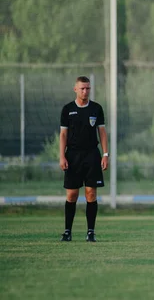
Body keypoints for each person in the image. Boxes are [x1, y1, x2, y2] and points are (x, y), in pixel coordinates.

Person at [59, 76, 109, 242]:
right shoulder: (67, 109)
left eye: (87, 88)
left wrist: (105, 154)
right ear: (75, 89)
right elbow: (63, 134)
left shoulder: (96, 108)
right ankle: (67, 231)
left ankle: (91, 232)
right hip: (73, 155)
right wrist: (62, 156)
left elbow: (102, 132)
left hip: (91, 155)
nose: (85, 91)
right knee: (72, 194)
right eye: (82, 88)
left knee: (91, 194)